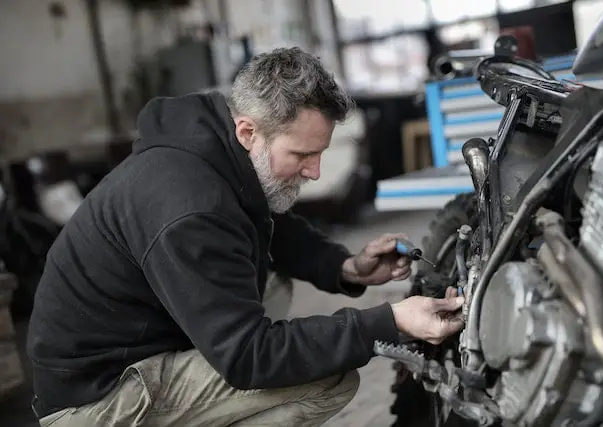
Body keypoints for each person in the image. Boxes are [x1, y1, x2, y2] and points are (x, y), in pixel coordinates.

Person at [26, 47, 465, 427]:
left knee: (275, 281)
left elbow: (266, 219)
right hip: (99, 399)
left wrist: (345, 267)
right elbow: (249, 356)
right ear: (248, 131)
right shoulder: (190, 208)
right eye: (303, 154)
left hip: (133, 345)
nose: (314, 172)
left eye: (320, 153)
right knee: (325, 378)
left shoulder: (216, 145)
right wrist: (389, 322)